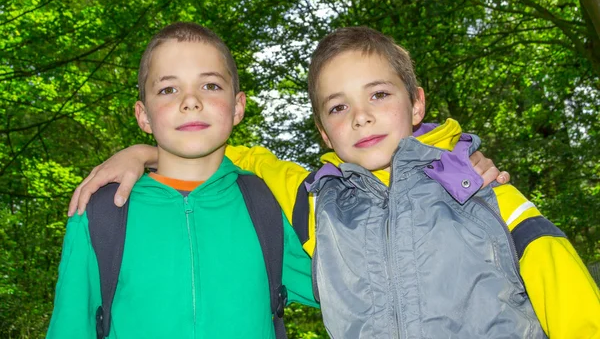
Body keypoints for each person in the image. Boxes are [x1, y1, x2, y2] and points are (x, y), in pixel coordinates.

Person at [70, 27, 600, 338]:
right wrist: (144, 152)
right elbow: (216, 144)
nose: (362, 118)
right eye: (340, 107)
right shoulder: (317, 207)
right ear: (324, 131)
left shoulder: (481, 190)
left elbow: (565, 287)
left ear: (417, 103)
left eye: (379, 95)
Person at [46, 22, 317, 339]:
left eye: (211, 86)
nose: (190, 101)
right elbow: (69, 327)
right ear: (144, 116)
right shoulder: (100, 212)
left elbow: (348, 288)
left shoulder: (266, 205)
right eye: (168, 90)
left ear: (238, 106)